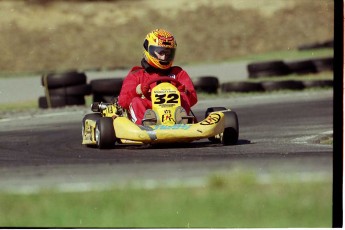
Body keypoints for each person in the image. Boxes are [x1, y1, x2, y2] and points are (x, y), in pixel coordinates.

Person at [118, 28, 198, 125]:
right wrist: (136, 91)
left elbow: (193, 98)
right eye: (161, 53)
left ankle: (182, 121)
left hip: (174, 110)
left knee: (183, 96)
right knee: (136, 101)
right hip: (149, 109)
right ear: (148, 50)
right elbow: (123, 101)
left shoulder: (179, 73)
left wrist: (183, 91)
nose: (164, 57)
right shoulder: (137, 74)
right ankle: (146, 123)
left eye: (168, 53)